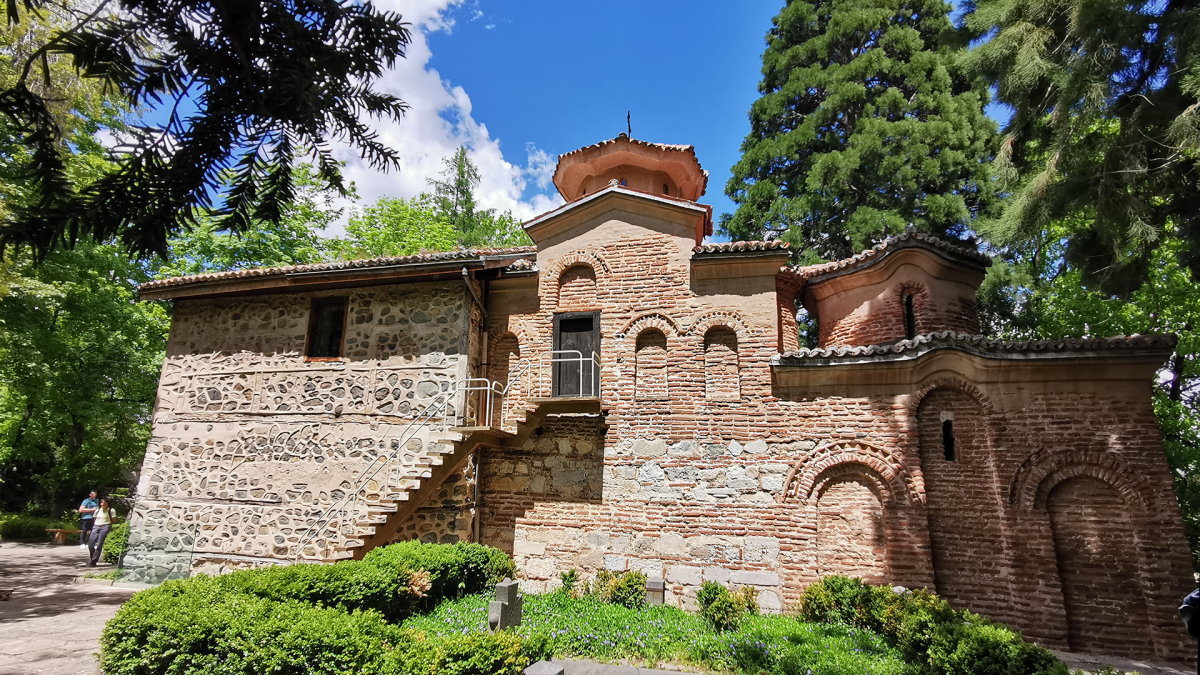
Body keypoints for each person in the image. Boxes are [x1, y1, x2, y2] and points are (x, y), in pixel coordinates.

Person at [87, 498, 116, 567]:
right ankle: (93, 557)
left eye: (104, 503)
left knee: (99, 544)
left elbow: (114, 520)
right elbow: (94, 519)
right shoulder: (97, 510)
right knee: (90, 544)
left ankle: (93, 561)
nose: (102, 504)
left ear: (107, 503)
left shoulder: (111, 510)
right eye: (101, 503)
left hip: (105, 527)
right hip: (96, 526)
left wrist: (108, 525)